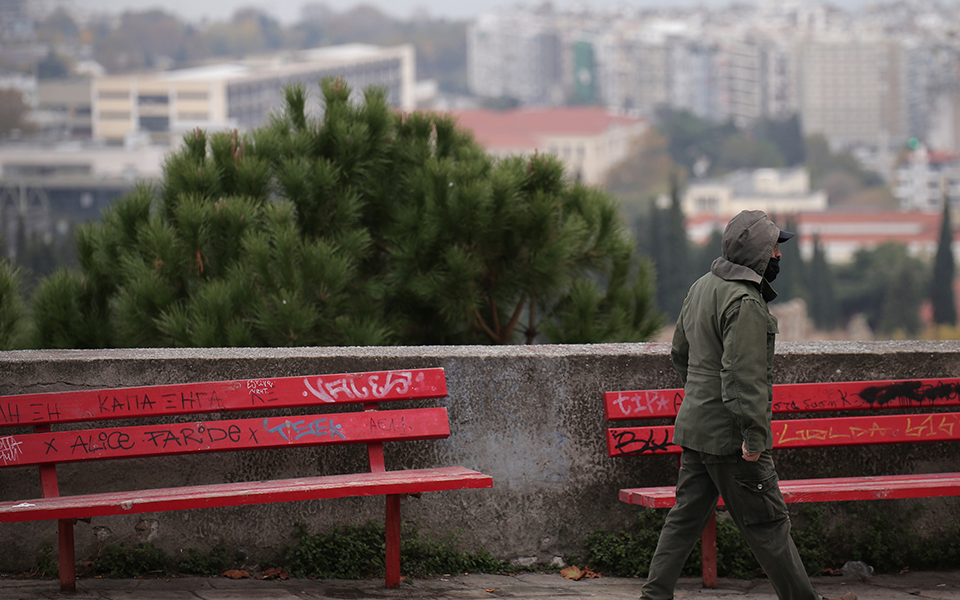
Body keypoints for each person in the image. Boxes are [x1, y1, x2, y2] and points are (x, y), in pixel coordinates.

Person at [639, 210, 855, 600]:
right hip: (732, 438)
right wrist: (755, 438)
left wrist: (701, 400)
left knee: (684, 519)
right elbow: (745, 378)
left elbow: (679, 353)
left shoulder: (701, 287)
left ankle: (653, 596)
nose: (779, 256)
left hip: (695, 428)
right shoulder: (746, 303)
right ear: (758, 254)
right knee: (768, 524)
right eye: (775, 248)